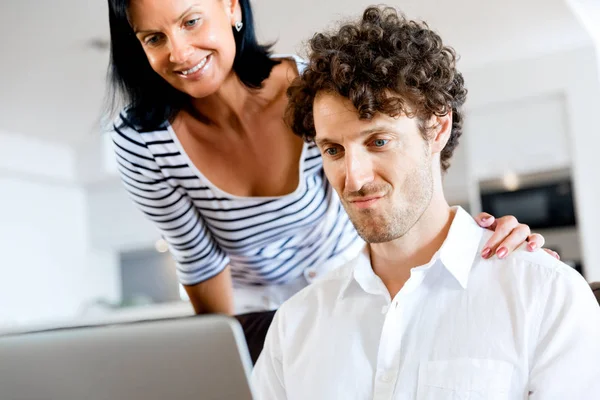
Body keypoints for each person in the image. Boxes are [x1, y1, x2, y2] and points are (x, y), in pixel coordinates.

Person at [106, 0, 553, 347]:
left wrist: (472, 250)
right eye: (153, 38)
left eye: (190, 21)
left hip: (346, 271)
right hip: (251, 303)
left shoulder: (311, 90)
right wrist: (235, 349)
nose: (179, 53)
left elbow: (386, 193)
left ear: (231, 7)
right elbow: (199, 260)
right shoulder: (143, 141)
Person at [252, 6, 600, 399]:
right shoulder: (294, 325)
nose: (355, 178)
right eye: (333, 150)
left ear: (437, 128)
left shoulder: (545, 295)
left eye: (378, 142)